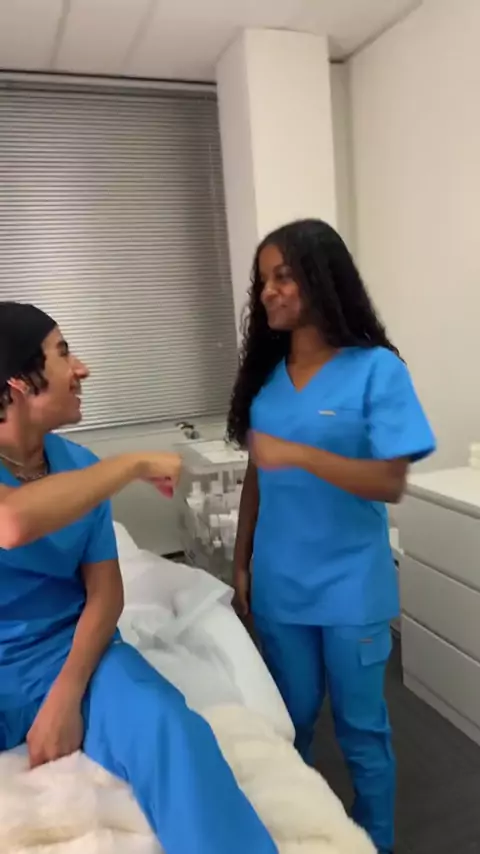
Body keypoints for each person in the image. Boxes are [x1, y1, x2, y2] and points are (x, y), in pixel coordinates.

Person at [0, 301, 277, 854]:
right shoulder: (100, 473)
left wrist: (66, 694)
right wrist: (132, 464)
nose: (82, 368)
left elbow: (105, 590)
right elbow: (12, 523)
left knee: (171, 729)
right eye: (63, 354)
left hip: (70, 651)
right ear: (20, 383)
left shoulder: (79, 465)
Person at [227, 219, 436, 854]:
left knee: (361, 732)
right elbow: (258, 477)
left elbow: (390, 482)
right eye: (263, 280)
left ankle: (377, 841)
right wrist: (242, 560)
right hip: (280, 586)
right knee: (288, 727)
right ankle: (302, 835)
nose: (267, 291)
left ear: (322, 279)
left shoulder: (376, 370)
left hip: (352, 589)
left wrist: (299, 454)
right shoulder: (267, 379)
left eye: (283, 276)